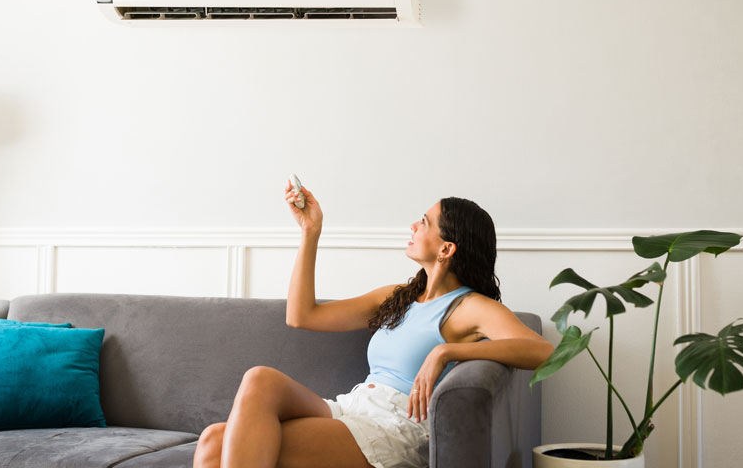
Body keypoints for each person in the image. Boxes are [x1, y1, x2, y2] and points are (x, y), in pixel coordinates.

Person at [192, 183, 554, 468]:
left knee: (218, 444)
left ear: (446, 249)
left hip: (394, 426)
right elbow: (301, 316)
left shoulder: (469, 307)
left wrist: (446, 351)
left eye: (424, 222)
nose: (413, 226)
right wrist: (310, 231)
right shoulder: (399, 297)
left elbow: (543, 351)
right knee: (238, 406)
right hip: (354, 406)